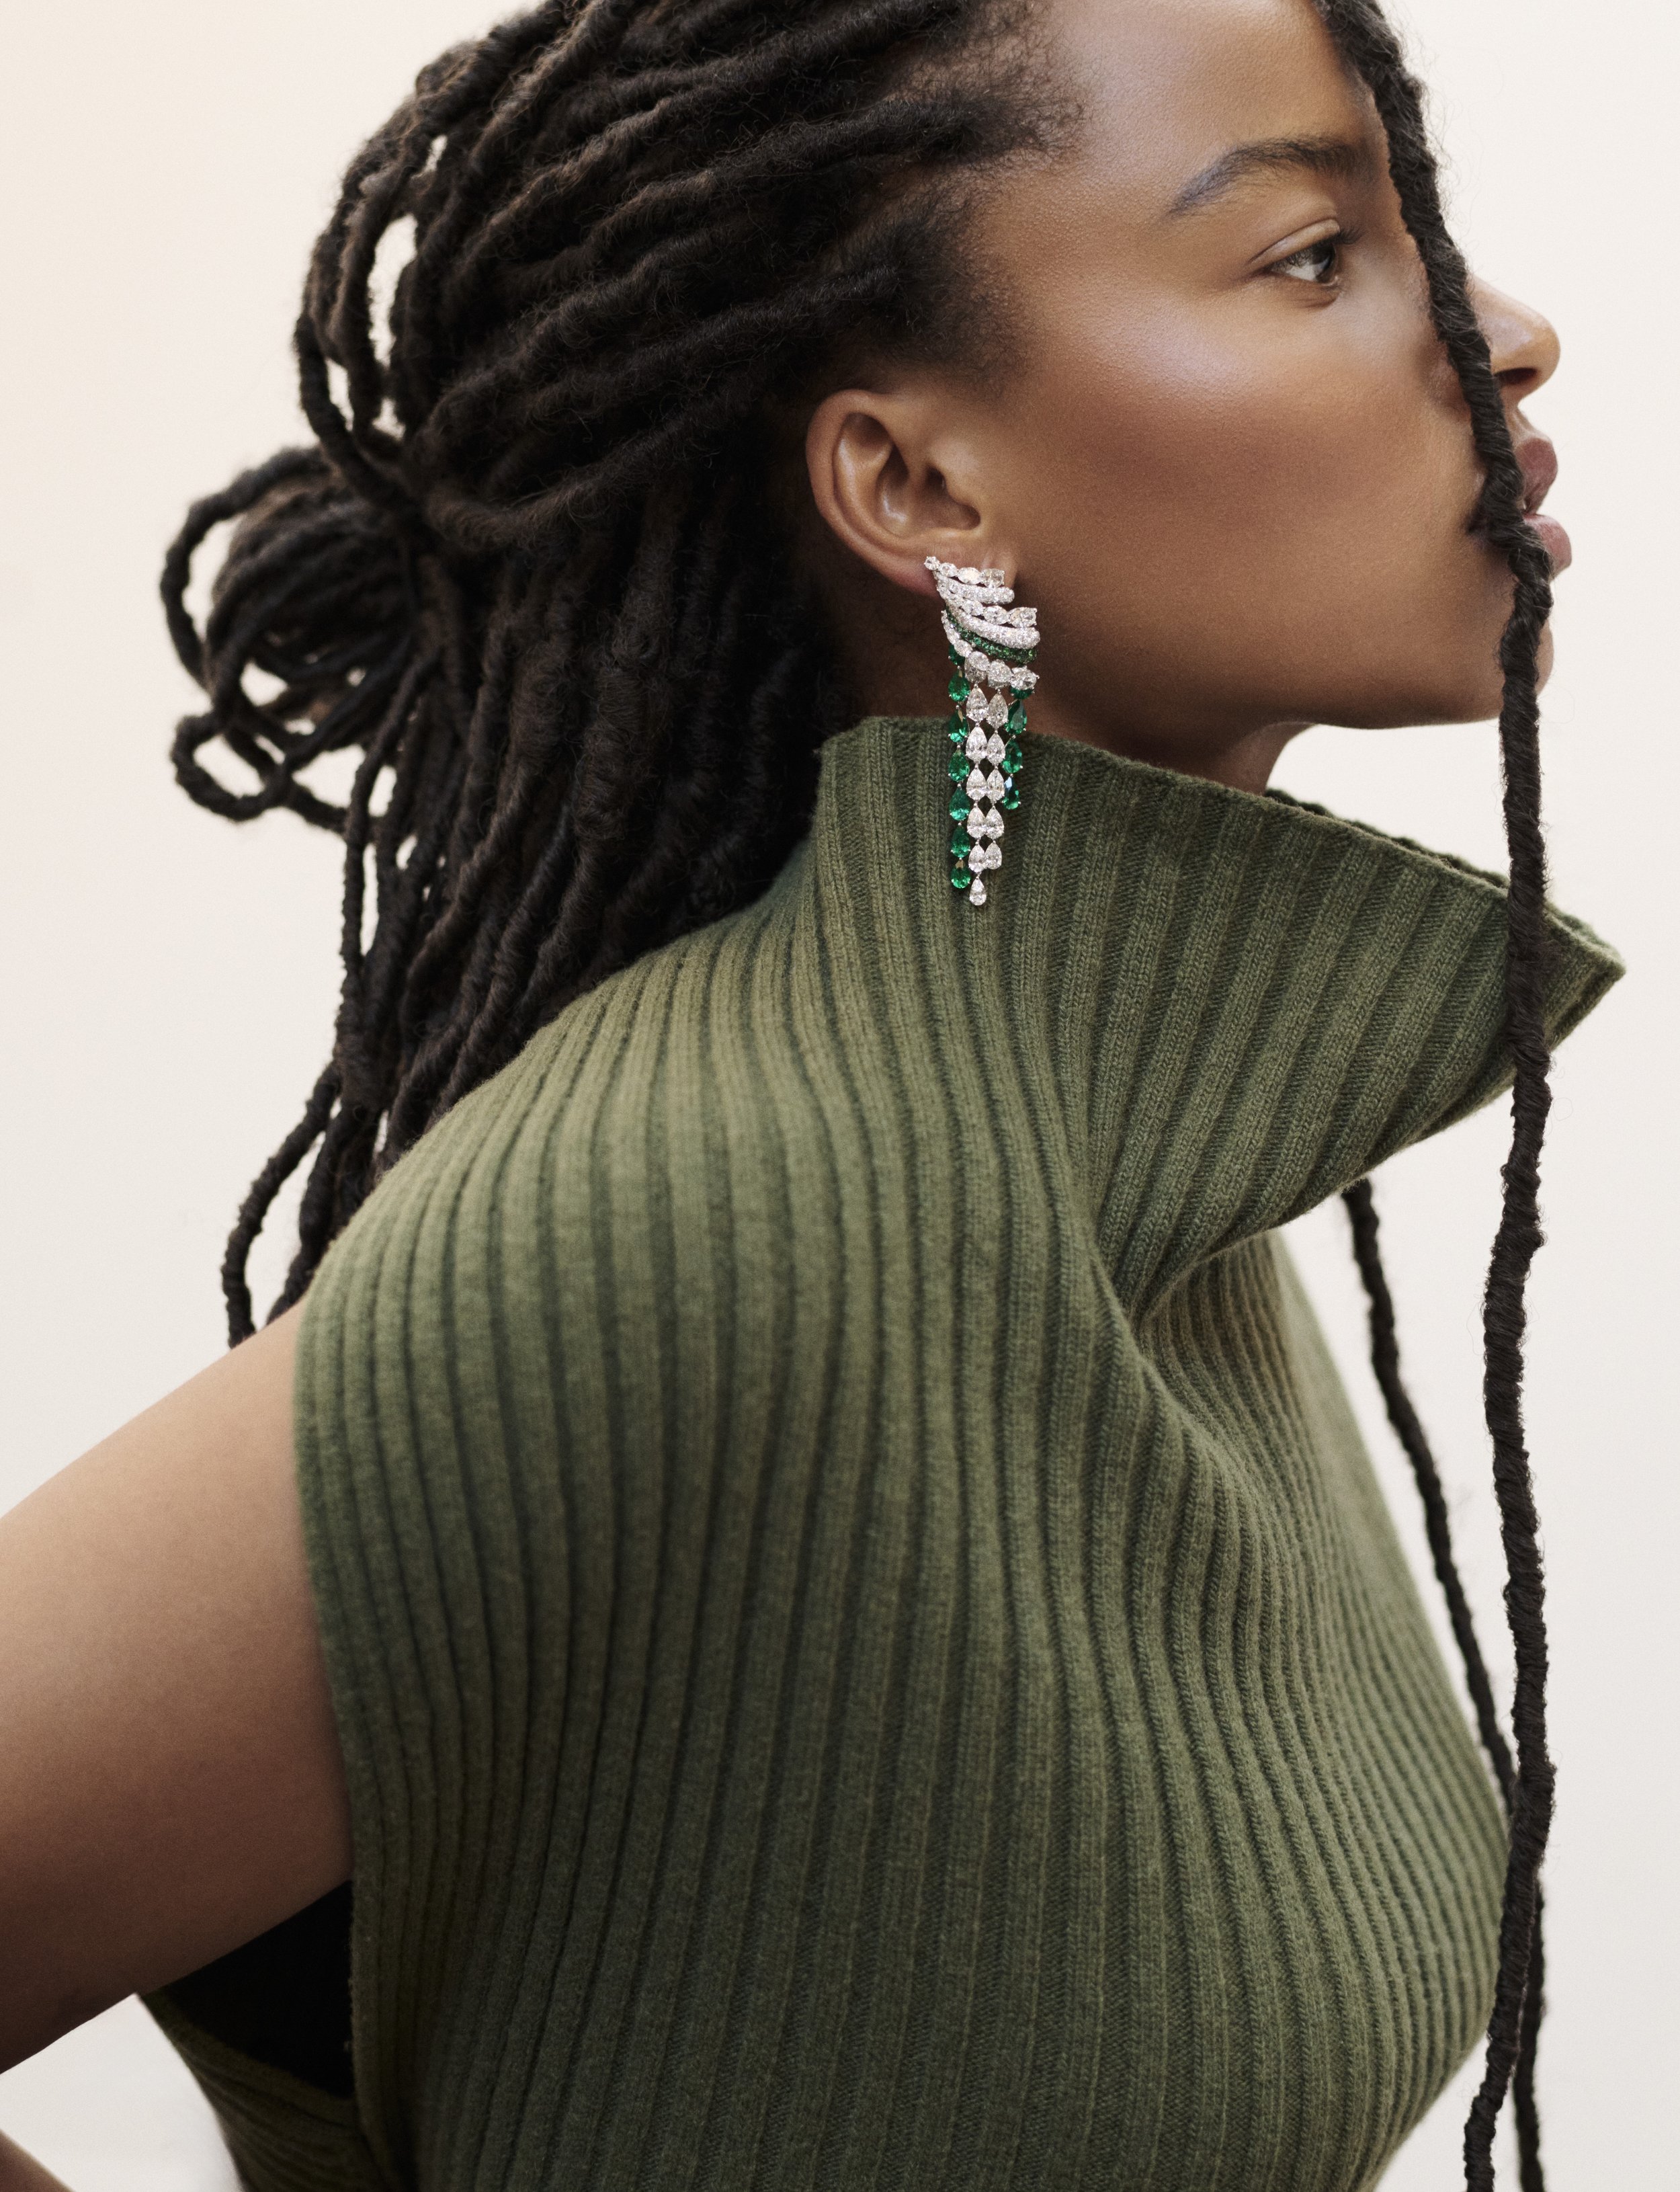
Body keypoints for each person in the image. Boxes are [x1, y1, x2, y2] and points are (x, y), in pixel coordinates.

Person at [0, 0, 1622, 2187]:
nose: (1506, 334)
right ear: (920, 489)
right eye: (1313, 255)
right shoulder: (685, 1218)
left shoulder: (1115, 1149)